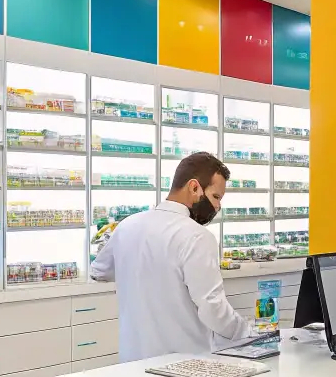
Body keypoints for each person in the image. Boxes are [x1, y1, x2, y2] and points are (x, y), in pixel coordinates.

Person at [90, 152, 255, 362]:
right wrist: (248, 333)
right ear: (194, 187)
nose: (217, 207)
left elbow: (99, 272)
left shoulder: (127, 226)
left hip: (131, 362)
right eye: (216, 197)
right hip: (184, 365)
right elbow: (212, 308)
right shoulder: (197, 236)